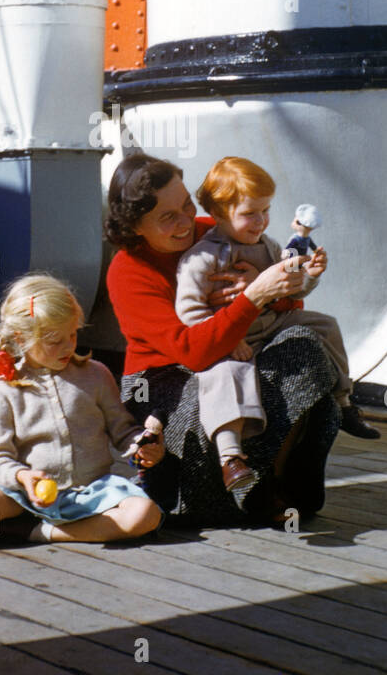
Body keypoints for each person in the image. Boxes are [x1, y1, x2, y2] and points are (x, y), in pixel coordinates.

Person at [105, 152, 343, 527]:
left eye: (186, 205)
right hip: (162, 383)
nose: (186, 222)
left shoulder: (214, 231)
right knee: (224, 388)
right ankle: (239, 493)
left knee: (304, 343)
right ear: (136, 227)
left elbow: (287, 305)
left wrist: (269, 288)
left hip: (237, 354)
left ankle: (271, 483)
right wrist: (252, 297)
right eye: (168, 217)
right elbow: (191, 351)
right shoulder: (128, 271)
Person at [0, 273, 164, 544]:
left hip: (92, 492)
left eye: (73, 334)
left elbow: (123, 430)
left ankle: (32, 532)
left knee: (144, 516)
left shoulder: (96, 375)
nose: (68, 346)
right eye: (55, 340)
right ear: (21, 338)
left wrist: (141, 446)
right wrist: (23, 476)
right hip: (23, 495)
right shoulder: (1, 390)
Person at [174, 158, 376, 491]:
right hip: (229, 338)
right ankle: (230, 458)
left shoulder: (266, 246)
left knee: (324, 324)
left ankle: (344, 402)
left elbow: (289, 287)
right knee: (224, 376)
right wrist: (224, 339)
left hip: (270, 323)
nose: (261, 221)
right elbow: (190, 312)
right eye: (250, 213)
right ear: (221, 213)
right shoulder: (201, 258)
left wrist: (309, 274)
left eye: (265, 211)